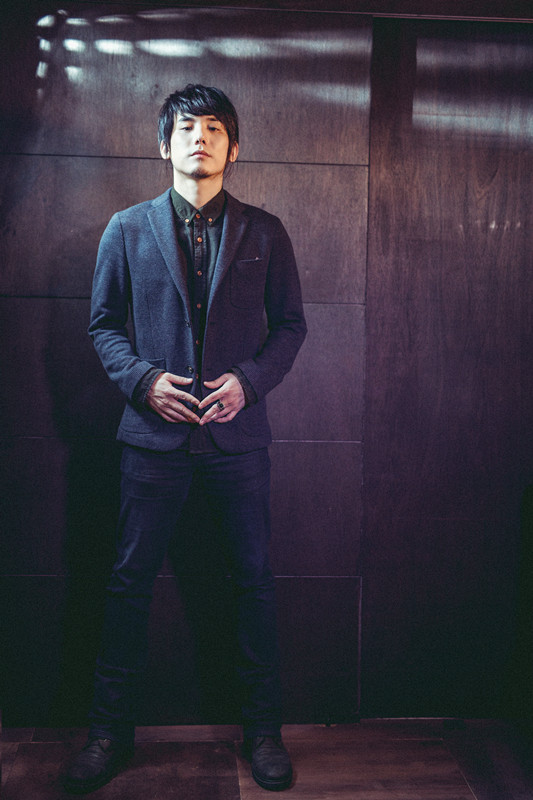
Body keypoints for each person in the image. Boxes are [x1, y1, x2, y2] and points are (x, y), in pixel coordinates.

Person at [63, 84, 307, 794]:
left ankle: (264, 733)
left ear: (234, 147)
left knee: (253, 584)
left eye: (214, 128)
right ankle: (107, 735)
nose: (200, 137)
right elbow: (103, 326)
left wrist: (248, 383)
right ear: (164, 145)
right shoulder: (125, 229)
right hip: (150, 440)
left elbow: (290, 327)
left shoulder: (267, 232)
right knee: (126, 585)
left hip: (238, 440)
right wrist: (143, 381)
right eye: (187, 128)